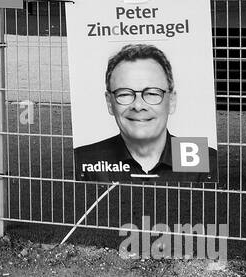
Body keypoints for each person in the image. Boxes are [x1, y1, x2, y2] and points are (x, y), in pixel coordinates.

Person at [73, 44, 217, 178]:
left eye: (152, 93)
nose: (138, 105)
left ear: (172, 101)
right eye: (124, 94)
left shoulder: (205, 160)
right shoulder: (83, 161)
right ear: (109, 102)